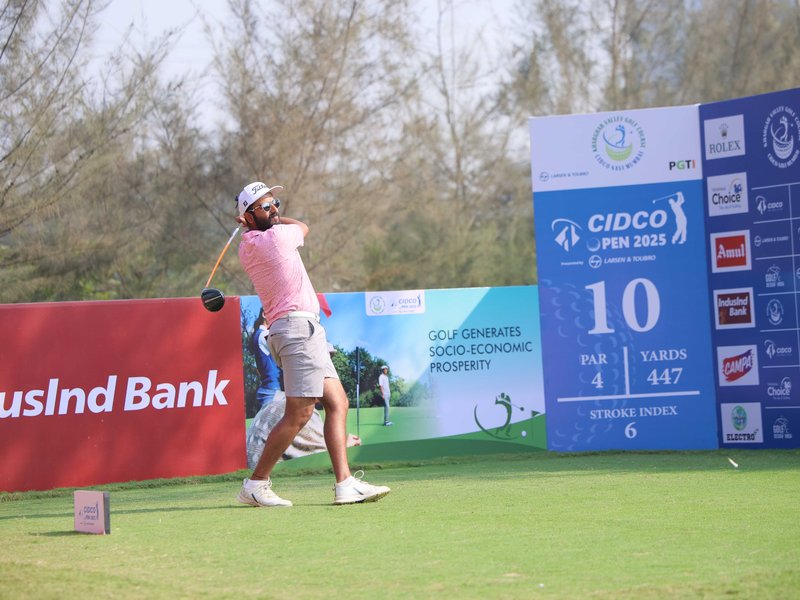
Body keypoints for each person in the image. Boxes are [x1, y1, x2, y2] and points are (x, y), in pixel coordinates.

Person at [234, 180, 390, 507]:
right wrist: (277, 221)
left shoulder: (247, 245)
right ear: (248, 217)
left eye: (275, 202)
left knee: (337, 402)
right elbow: (304, 227)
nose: (275, 209)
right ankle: (256, 483)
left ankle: (345, 484)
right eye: (265, 206)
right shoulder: (276, 237)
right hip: (297, 330)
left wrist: (260, 219)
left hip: (297, 330)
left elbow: (273, 225)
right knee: (300, 414)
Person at [246, 391, 361, 469]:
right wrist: (346, 444)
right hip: (275, 478)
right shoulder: (302, 409)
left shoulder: (276, 402)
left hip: (257, 472)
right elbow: (320, 453)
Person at [251, 308, 281, 409]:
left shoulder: (260, 334)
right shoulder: (264, 335)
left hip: (271, 390)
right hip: (273, 391)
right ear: (264, 314)